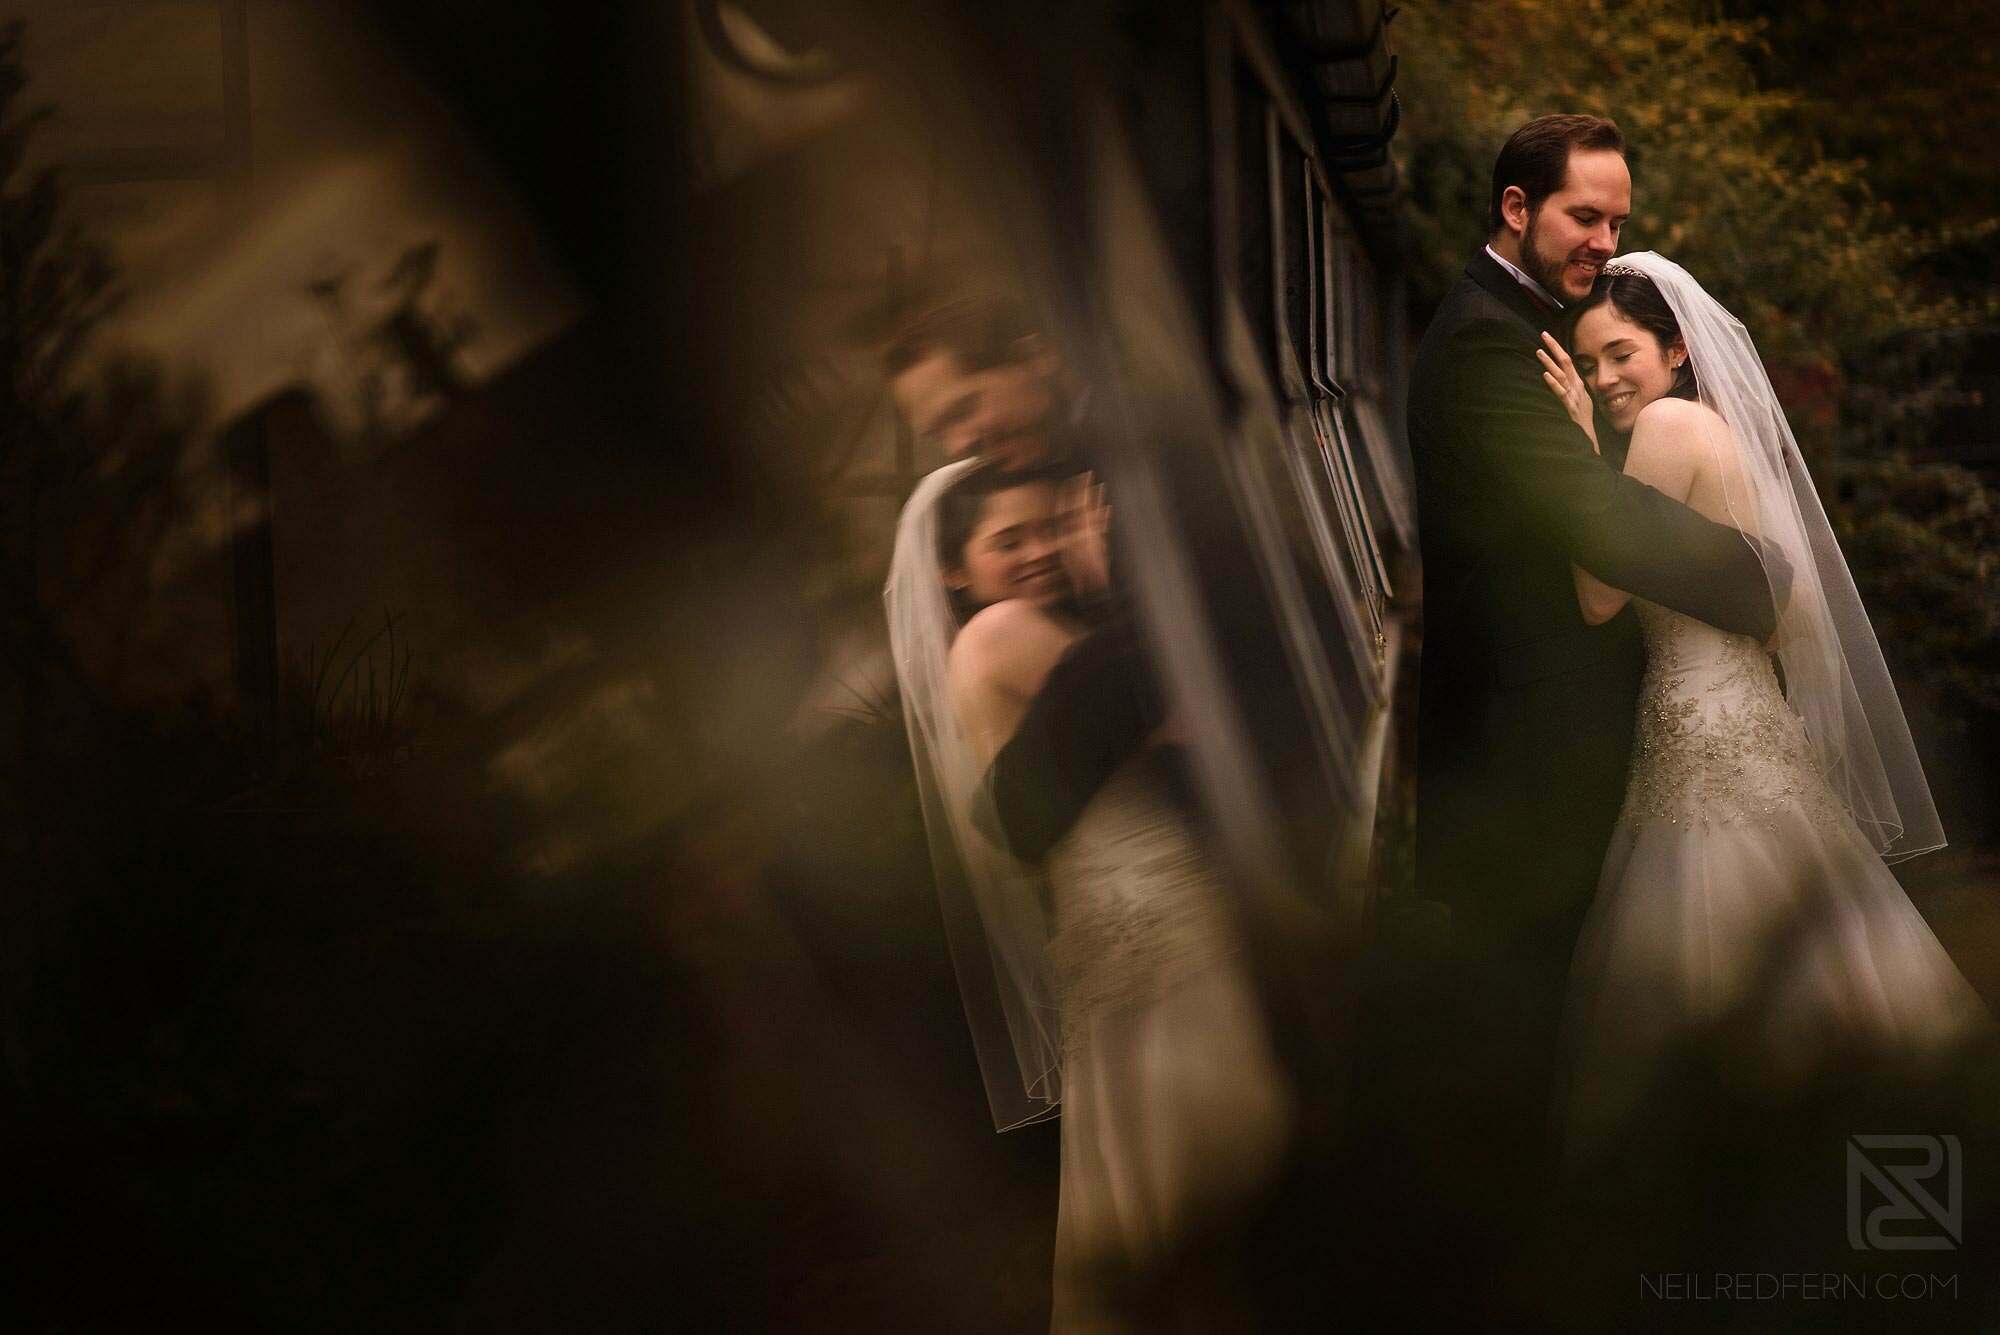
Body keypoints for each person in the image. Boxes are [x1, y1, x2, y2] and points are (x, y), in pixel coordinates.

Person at [1378, 113, 1787, 1305]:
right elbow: (1598, 532)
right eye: (1580, 216)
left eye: (1615, 221)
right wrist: (1762, 579)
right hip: (1522, 760)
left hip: (1599, 737)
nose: (1601, 240)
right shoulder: (1483, 350)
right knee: (1532, 1035)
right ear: (1514, 207)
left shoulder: (1538, 335)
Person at [1537, 255, 1989, 1155]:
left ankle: (1729, 1147)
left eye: (1619, 353)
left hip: (1698, 723)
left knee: (1704, 937)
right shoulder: (1723, 435)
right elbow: (1784, 622)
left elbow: (1597, 597)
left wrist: (1580, 451)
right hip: (1744, 710)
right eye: (1588, 365)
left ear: (1674, 350)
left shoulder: (1665, 427)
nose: (1604, 379)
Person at [885, 458, 1291, 1331]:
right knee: (1222, 1150)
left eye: (1047, 529)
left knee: (1166, 1180)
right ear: (955, 569)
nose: (1039, 551)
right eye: (1010, 539)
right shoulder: (1004, 629)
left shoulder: (989, 641)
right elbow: (1164, 704)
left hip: (1118, 915)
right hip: (1146, 905)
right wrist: (1108, 580)